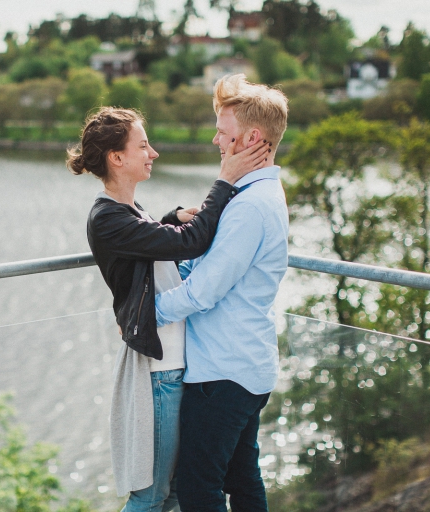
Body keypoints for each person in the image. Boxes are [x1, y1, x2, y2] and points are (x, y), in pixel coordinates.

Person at [67, 107, 270, 511]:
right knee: (151, 495)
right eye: (143, 146)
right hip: (159, 374)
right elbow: (188, 242)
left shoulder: (126, 211)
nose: (153, 153)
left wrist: (170, 217)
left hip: (176, 367)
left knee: (176, 492)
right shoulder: (107, 218)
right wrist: (225, 181)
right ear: (116, 158)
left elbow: (153, 239)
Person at [155, 75, 290, 512]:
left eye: (222, 130)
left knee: (198, 488)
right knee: (242, 477)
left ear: (252, 137)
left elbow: (203, 292)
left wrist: (146, 312)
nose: (215, 139)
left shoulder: (250, 205)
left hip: (223, 372)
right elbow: (205, 269)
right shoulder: (254, 194)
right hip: (244, 365)